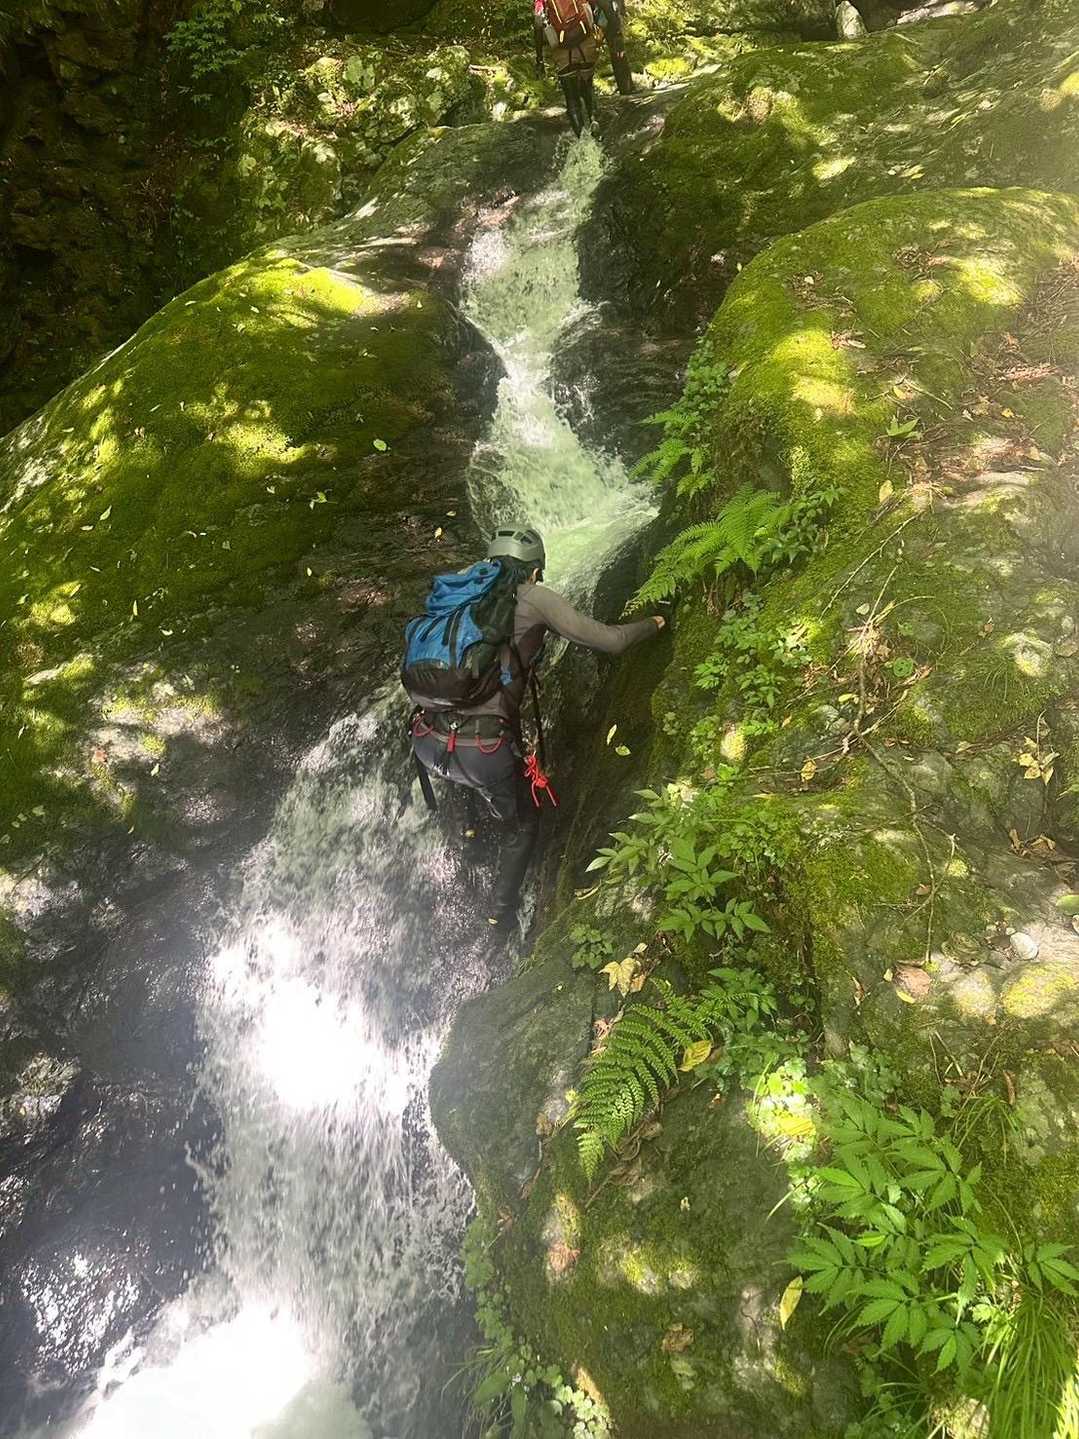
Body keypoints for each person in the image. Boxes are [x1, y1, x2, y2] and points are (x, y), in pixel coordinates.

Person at [410, 525, 665, 930]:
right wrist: (654, 623)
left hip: (427, 741)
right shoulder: (533, 597)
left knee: (464, 770)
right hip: (483, 752)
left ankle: (471, 837)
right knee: (524, 824)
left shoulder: (462, 595)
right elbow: (611, 641)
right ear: (534, 571)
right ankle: (500, 915)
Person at [534, 0, 599, 138]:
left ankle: (582, 139)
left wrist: (539, 58)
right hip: (585, 43)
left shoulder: (541, 2)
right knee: (588, 86)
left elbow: (538, 24)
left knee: (571, 97)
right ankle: (594, 119)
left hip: (562, 51)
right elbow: (593, 6)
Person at [593, 0, 634, 95]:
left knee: (618, 55)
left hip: (608, 24)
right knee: (619, 56)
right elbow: (609, 11)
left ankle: (627, 87)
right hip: (611, 25)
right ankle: (626, 88)